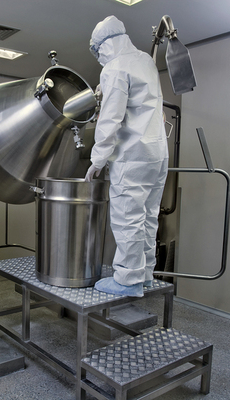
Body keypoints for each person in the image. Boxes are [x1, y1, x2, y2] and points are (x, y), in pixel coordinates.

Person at [85, 16, 168, 298]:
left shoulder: (115, 68)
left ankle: (127, 280)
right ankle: (144, 274)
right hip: (156, 153)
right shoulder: (145, 60)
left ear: (107, 43)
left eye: (97, 50)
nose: (98, 57)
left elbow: (110, 119)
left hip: (131, 155)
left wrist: (97, 159)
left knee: (127, 218)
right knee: (148, 216)